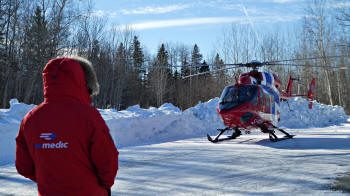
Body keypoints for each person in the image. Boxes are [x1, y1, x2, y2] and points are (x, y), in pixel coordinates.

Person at [15, 56, 118, 196]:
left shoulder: (30, 119)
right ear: (83, 82)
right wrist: (104, 186)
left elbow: (24, 167)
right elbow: (107, 162)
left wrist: (52, 182)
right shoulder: (89, 117)